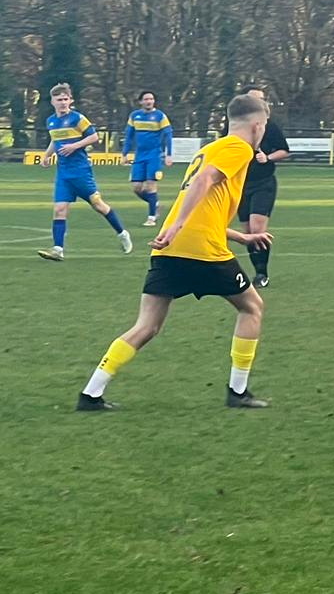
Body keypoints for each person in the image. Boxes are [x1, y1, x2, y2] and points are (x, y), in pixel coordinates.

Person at [76, 93, 275, 411]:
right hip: (202, 249)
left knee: (146, 326)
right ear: (256, 125)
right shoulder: (238, 148)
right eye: (264, 126)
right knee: (252, 307)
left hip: (170, 248)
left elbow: (202, 203)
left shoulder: (210, 149)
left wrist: (240, 237)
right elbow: (206, 183)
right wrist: (179, 225)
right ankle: (238, 392)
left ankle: (91, 394)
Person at [36, 83, 134, 261]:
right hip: (63, 174)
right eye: (59, 100)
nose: (63, 103)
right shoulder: (51, 121)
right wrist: (47, 155)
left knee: (98, 205)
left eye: (66, 99)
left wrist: (74, 146)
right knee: (59, 209)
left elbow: (94, 137)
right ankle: (58, 249)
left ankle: (122, 233)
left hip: (81, 171)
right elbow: (54, 139)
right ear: (52, 101)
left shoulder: (77, 118)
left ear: (70, 100)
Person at [238, 86, 291, 288]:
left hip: (263, 183)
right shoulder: (235, 126)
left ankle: (261, 274)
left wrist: (267, 157)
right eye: (254, 99)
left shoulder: (270, 126)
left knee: (257, 228)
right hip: (240, 184)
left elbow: (284, 151)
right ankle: (256, 269)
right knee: (248, 232)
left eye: (262, 100)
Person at [122, 90, 173, 226]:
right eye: (146, 99)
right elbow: (129, 136)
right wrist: (124, 153)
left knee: (151, 186)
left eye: (151, 99)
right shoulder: (134, 116)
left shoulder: (160, 116)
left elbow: (168, 135)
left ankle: (151, 218)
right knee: (136, 187)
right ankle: (155, 204)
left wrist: (169, 154)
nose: (149, 101)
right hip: (139, 156)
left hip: (154, 156)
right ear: (141, 102)